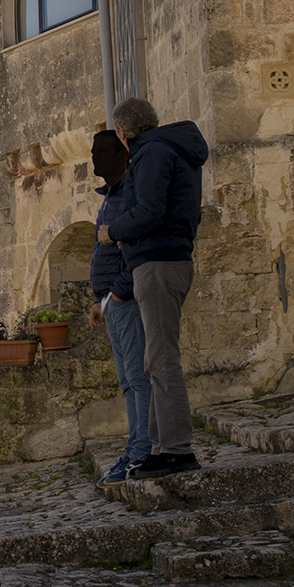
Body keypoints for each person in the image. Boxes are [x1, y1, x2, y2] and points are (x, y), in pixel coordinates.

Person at [96, 96, 209, 479]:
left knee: (161, 359)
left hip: (159, 263)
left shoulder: (151, 153)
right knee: (155, 360)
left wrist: (113, 231)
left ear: (123, 133)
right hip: (165, 259)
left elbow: (149, 211)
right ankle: (161, 447)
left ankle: (176, 450)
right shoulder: (167, 149)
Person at [87, 129, 150, 485]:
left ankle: (142, 450)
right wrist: (101, 300)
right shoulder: (111, 196)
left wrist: (118, 293)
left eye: (100, 151)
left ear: (121, 154)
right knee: (127, 380)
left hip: (124, 299)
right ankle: (136, 446)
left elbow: (133, 248)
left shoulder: (128, 194)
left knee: (138, 377)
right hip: (112, 301)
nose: (94, 157)